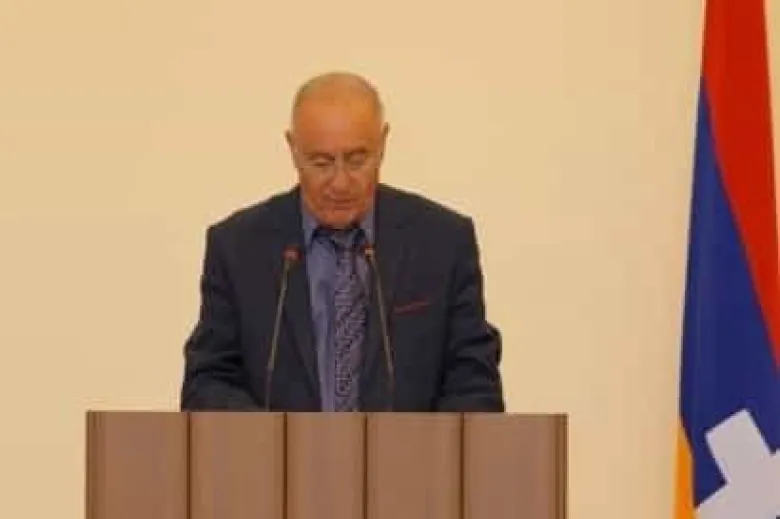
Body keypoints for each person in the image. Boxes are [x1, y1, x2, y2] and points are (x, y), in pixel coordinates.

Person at [179, 71, 504, 412]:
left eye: (356, 160)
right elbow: (208, 383)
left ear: (383, 144)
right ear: (293, 149)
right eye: (321, 163)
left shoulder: (442, 243)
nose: (340, 182)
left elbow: (474, 384)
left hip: (410, 449)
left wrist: (421, 444)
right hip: (274, 448)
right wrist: (275, 439)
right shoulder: (239, 248)